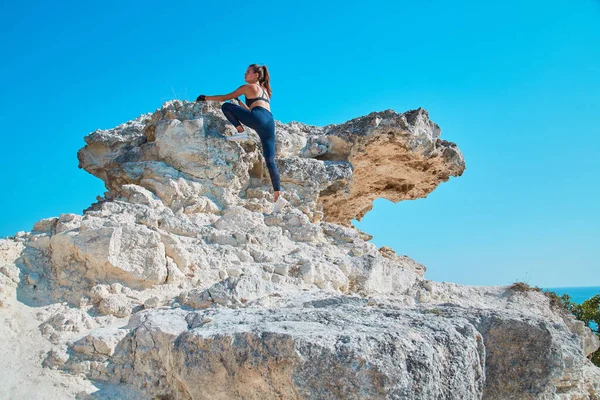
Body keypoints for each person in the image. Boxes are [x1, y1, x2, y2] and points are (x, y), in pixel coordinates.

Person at [196, 64, 288, 213]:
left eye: (248, 72)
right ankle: (278, 197)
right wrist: (240, 104)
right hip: (269, 123)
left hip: (258, 118)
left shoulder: (248, 87)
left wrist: (205, 98)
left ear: (256, 75)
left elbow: (225, 98)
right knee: (270, 160)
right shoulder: (265, 91)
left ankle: (240, 131)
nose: (245, 74)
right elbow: (256, 111)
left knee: (226, 106)